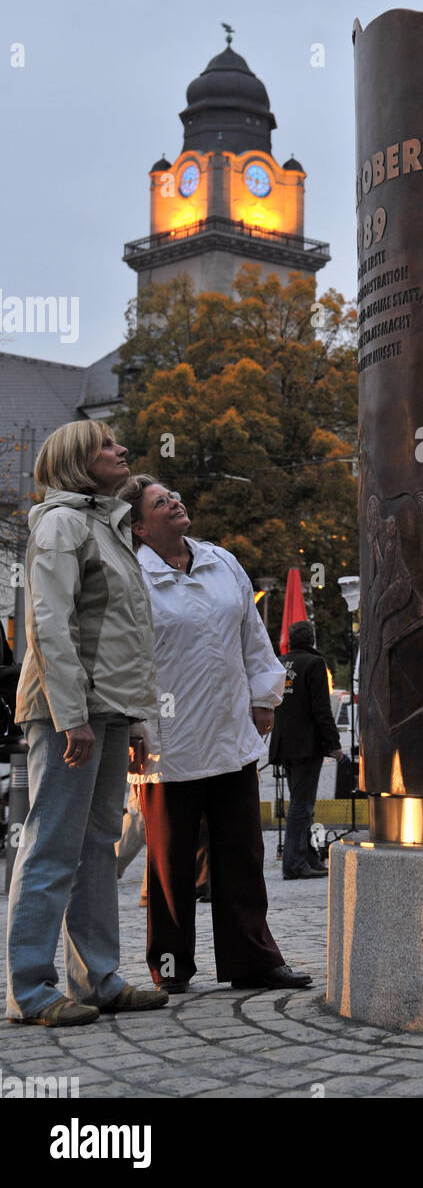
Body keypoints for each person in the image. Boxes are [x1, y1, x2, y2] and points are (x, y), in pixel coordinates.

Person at [119, 475, 311, 994]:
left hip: (230, 735)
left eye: (174, 495)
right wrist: (133, 727)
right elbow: (124, 660)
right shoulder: (131, 577)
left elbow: (252, 635)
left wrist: (263, 697)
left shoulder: (222, 562)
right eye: (161, 502)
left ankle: (253, 960)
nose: (176, 501)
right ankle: (171, 967)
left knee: (242, 857)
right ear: (138, 526)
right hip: (167, 745)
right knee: (169, 866)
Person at [6, 422, 169, 1026]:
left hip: (105, 711)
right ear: (77, 462)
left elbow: (125, 637)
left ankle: (96, 977)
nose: (122, 449)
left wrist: (134, 720)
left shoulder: (108, 524)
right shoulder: (61, 524)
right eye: (106, 445)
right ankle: (30, 990)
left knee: (96, 847)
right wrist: (71, 716)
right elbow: (51, 625)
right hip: (65, 712)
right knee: (52, 846)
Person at [269, 619, 343, 879]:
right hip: (305, 745)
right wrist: (333, 744)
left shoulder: (279, 662)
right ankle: (294, 863)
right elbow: (321, 709)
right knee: (302, 805)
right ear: (311, 639)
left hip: (284, 743)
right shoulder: (314, 664)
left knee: (301, 802)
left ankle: (308, 856)